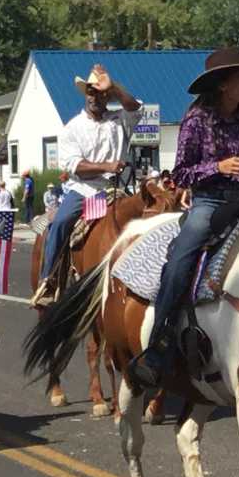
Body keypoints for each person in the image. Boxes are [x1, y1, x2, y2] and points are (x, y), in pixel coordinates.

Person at [128, 48, 239, 388]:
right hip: (209, 203)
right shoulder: (197, 119)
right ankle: (158, 348)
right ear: (222, 84)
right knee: (180, 260)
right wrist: (219, 167)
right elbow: (181, 174)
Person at [33, 63, 141, 300]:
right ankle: (49, 279)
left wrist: (114, 87)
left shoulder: (120, 120)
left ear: (108, 96)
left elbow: (134, 107)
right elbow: (75, 166)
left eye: (100, 93)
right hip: (85, 191)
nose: (95, 97)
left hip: (116, 190)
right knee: (61, 222)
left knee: (145, 220)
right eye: (91, 92)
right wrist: (107, 166)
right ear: (85, 95)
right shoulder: (72, 128)